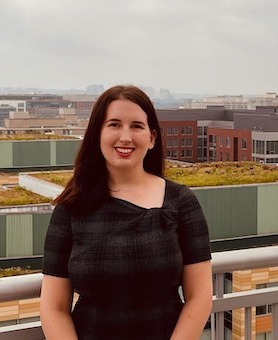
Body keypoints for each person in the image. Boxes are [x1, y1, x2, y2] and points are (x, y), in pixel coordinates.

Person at [40, 85, 213, 340]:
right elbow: (54, 307)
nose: (125, 137)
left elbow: (199, 298)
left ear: (152, 138)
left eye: (136, 126)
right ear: (97, 134)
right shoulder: (72, 208)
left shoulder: (181, 202)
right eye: (114, 124)